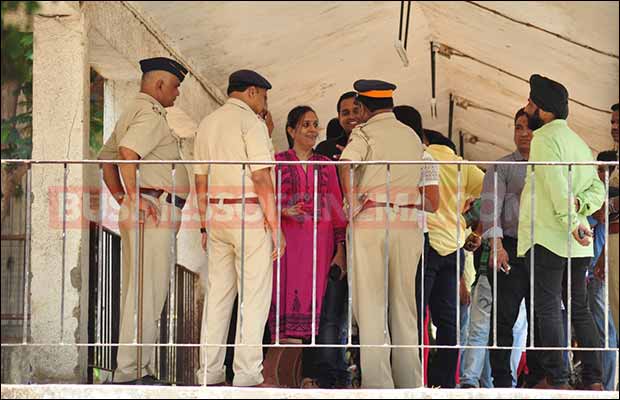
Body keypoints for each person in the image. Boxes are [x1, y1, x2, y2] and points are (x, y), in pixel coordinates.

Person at [98, 56, 190, 384]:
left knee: (139, 289)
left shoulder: (130, 111)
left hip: (143, 208)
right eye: (176, 85)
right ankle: (132, 372)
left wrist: (125, 199)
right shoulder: (151, 113)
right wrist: (135, 197)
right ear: (160, 84)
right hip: (153, 208)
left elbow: (106, 159)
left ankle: (134, 368)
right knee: (146, 292)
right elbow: (126, 153)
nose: (177, 93)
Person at [193, 69, 285, 387]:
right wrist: (276, 226)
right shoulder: (251, 124)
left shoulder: (207, 124)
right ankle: (247, 373)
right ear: (251, 92)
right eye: (264, 96)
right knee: (254, 297)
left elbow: (200, 180)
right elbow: (261, 178)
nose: (264, 103)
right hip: (247, 214)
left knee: (218, 296)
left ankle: (209, 371)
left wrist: (204, 226)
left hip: (217, 216)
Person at [517, 74, 605, 390]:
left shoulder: (543, 140)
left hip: (550, 236)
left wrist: (570, 221)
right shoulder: (580, 143)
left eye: (530, 103)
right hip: (578, 239)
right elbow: (598, 188)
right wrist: (581, 208)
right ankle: (594, 379)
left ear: (544, 109)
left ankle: (559, 378)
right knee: (578, 308)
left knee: (549, 306)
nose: (526, 109)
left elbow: (555, 185)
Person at [339, 79, 424, 388]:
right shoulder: (412, 137)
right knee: (404, 306)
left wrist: (351, 201)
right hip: (407, 220)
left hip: (372, 218)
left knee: (372, 304)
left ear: (362, 107)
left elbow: (346, 164)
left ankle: (378, 384)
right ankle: (410, 383)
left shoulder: (364, 133)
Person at [268, 105, 349, 388]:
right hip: (287, 247)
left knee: (319, 313)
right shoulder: (277, 162)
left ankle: (309, 377)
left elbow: (338, 209)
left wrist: (340, 249)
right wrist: (282, 211)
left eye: (315, 124)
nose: (313, 130)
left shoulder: (326, 164)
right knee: (283, 310)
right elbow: (262, 201)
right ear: (291, 130)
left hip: (320, 248)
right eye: (306, 125)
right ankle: (282, 377)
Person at [475, 108, 535, 388]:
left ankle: (537, 378)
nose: (523, 133)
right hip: (509, 248)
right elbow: (490, 209)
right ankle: (501, 381)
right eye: (518, 127)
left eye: (528, 127)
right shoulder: (501, 166)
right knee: (503, 319)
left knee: (541, 319)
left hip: (542, 250)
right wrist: (497, 247)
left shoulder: (550, 165)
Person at [420, 130, 484, 388]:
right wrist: (473, 225)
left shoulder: (421, 157)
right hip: (453, 246)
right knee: (448, 321)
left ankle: (419, 377)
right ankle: (445, 382)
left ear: (426, 142)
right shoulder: (462, 165)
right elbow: (493, 190)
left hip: (427, 242)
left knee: (417, 315)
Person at [586, 150, 618, 391]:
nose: (599, 174)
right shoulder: (599, 195)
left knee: (605, 330)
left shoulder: (603, 197)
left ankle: (606, 386)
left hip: (601, 270)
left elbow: (598, 216)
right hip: (594, 270)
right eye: (598, 169)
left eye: (604, 170)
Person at [315, 91, 362, 160]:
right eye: (345, 113)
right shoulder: (325, 149)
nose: (351, 116)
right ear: (339, 118)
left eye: (356, 111)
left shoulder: (377, 145)